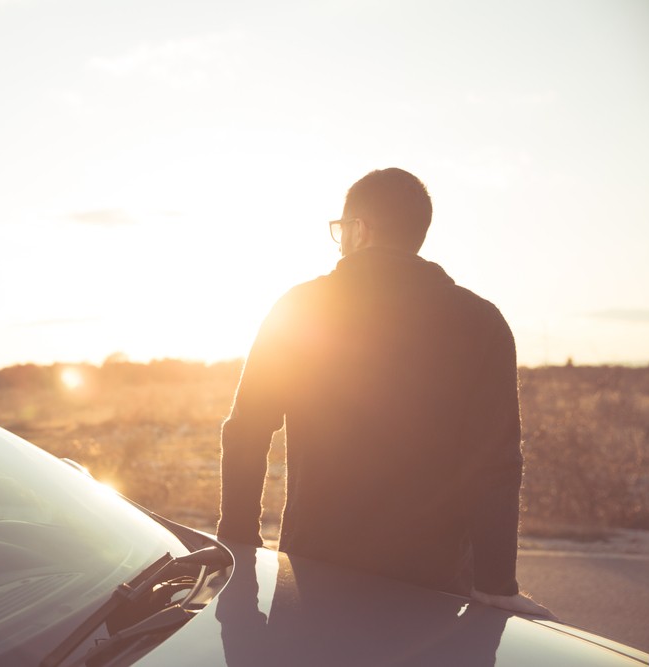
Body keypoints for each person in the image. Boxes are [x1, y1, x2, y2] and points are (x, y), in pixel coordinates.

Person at [216, 168, 552, 617]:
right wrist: (495, 582)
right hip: (433, 581)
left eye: (341, 230)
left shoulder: (299, 309)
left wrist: (238, 543)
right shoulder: (482, 322)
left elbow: (247, 431)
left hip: (313, 571)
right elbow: (496, 463)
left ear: (359, 230)